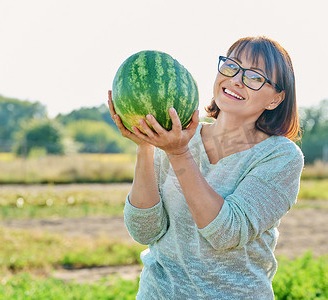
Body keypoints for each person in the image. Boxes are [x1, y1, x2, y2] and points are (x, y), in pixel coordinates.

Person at [108, 35, 304, 299]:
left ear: (276, 99)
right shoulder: (175, 135)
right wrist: (145, 146)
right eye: (232, 65)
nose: (235, 79)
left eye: (255, 77)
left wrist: (178, 153)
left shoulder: (280, 156)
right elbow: (145, 231)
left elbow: (226, 233)